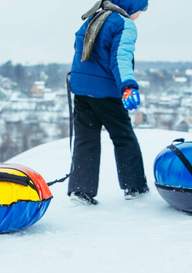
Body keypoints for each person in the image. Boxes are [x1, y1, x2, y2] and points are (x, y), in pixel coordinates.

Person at [68, 0, 149, 205]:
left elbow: (81, 52)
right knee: (123, 137)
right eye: (141, 9)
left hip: (82, 91)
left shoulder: (93, 17)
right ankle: (134, 186)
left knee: (86, 139)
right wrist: (128, 86)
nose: (140, 14)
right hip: (106, 93)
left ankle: (81, 190)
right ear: (131, 6)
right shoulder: (124, 23)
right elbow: (120, 57)